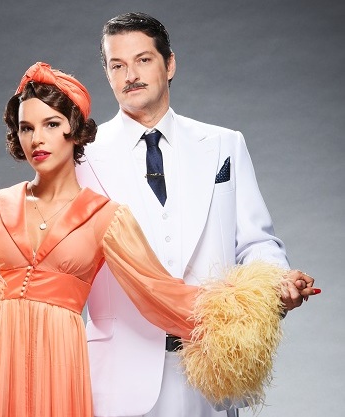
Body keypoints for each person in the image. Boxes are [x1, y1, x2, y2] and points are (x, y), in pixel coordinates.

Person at [0, 62, 316, 417]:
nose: (37, 138)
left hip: (59, 367)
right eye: (26, 127)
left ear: (75, 131)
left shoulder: (107, 217)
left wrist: (263, 295)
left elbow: (165, 296)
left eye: (51, 124)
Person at [75, 12, 319, 417]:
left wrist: (277, 279)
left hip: (211, 371)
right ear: (107, 74)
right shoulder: (82, 157)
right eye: (117, 65)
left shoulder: (224, 144)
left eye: (143, 60)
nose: (130, 75)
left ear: (169, 64)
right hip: (117, 379)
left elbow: (256, 241)